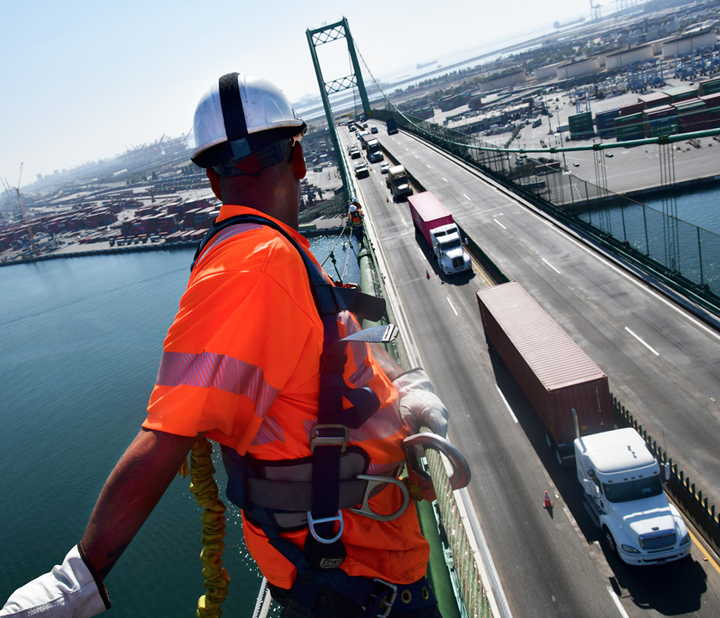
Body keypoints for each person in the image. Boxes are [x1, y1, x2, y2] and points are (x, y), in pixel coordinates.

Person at [1, 72, 449, 618]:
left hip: (367, 568)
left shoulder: (281, 258)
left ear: (215, 181)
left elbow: (329, 357)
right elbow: (168, 433)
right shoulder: (259, 264)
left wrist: (404, 393)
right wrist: (80, 577)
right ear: (300, 158)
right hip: (352, 584)